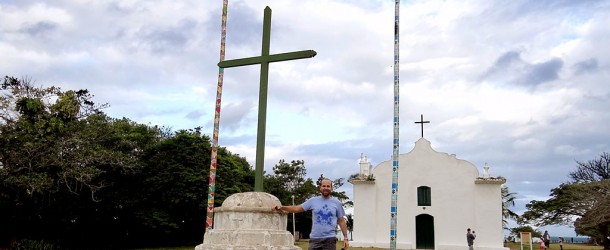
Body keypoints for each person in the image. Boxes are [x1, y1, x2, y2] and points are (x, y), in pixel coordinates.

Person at [272, 178, 349, 250]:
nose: (326, 188)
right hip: (315, 239)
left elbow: (341, 221)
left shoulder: (336, 203)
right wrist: (282, 207)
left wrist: (345, 238)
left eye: (328, 186)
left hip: (330, 239)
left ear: (331, 188)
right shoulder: (313, 201)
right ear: (320, 188)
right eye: (324, 186)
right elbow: (297, 208)